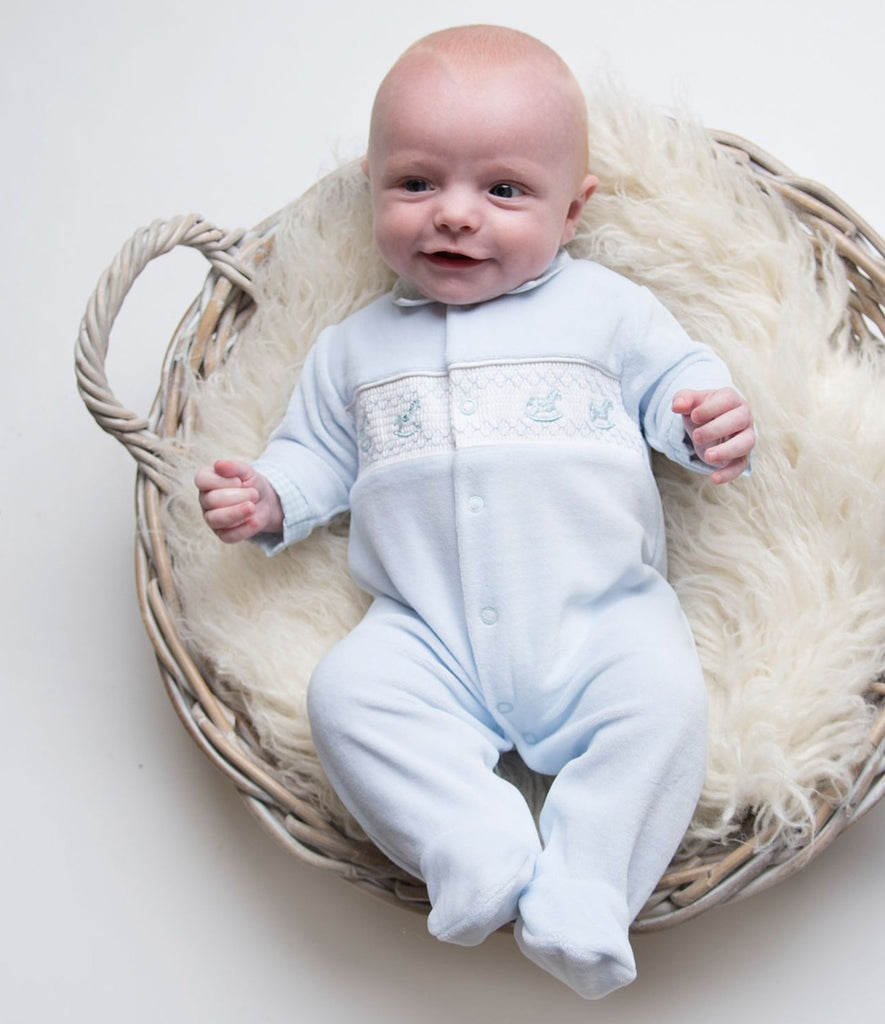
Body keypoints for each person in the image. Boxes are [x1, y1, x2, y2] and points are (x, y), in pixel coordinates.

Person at [196, 24, 754, 999]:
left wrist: (701, 418)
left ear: (573, 208)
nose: (454, 216)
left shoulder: (605, 311)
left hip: (600, 619)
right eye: (416, 184)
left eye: (503, 190)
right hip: (427, 633)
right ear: (372, 186)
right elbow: (318, 453)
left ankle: (586, 889)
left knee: (661, 707)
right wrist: (270, 495)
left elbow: (676, 379)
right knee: (347, 698)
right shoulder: (352, 348)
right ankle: (474, 841)